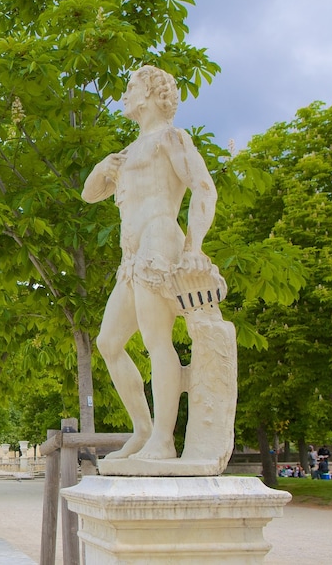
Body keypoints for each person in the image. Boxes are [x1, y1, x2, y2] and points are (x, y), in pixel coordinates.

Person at [83, 65, 228, 461]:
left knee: (155, 340)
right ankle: (144, 430)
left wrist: (195, 245)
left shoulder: (171, 138)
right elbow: (90, 194)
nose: (125, 95)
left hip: (159, 238)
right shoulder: (128, 151)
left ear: (151, 93)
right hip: (130, 255)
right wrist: (102, 168)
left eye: (131, 87)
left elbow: (203, 188)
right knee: (109, 343)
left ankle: (163, 439)